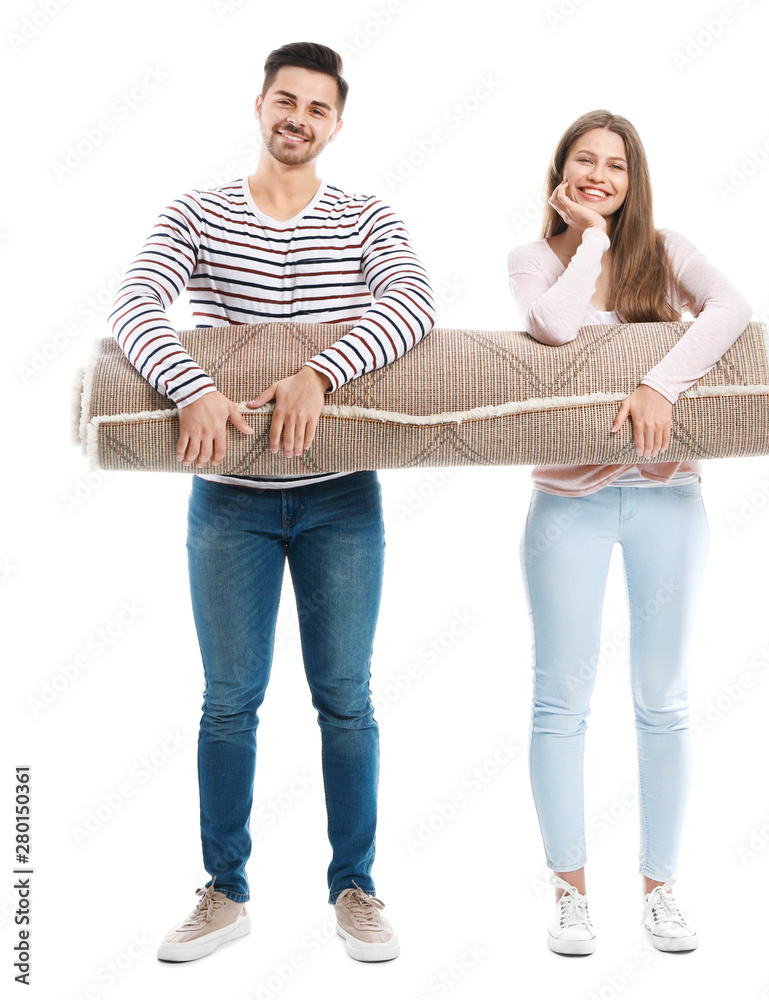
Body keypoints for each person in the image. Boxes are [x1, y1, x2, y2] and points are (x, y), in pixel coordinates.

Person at [109, 41, 435, 964]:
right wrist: (187, 385)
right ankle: (224, 892)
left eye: (316, 108)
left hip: (340, 500)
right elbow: (135, 302)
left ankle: (356, 889)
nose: (298, 117)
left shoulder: (367, 217)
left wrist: (321, 372)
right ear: (258, 106)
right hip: (228, 505)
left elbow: (412, 304)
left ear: (336, 124)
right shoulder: (198, 213)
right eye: (284, 100)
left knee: (346, 700)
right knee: (227, 703)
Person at [508, 110, 751, 955]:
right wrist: (588, 245)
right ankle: (570, 894)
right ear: (561, 171)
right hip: (566, 506)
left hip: (666, 499)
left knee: (662, 701)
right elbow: (554, 331)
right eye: (584, 161)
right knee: (559, 703)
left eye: (614, 165)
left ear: (632, 178)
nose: (599, 175)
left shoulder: (670, 250)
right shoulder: (536, 260)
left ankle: (660, 891)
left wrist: (659, 385)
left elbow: (732, 310)